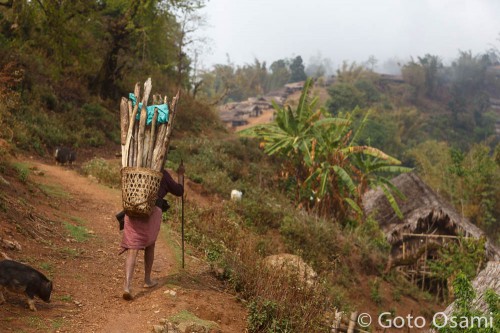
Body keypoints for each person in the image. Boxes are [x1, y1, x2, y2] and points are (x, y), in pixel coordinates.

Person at [120, 164, 184, 300]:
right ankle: (147, 280)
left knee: (133, 247)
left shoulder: (134, 168)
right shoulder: (162, 174)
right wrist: (180, 175)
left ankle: (127, 285)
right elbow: (179, 191)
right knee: (150, 244)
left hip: (132, 207)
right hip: (152, 212)